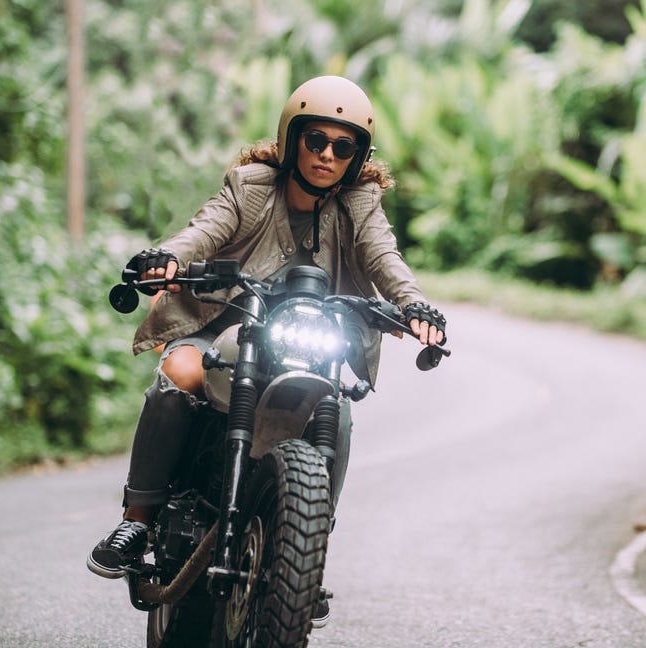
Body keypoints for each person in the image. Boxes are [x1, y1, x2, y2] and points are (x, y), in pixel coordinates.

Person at [86, 75, 446, 624]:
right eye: (316, 140)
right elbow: (203, 231)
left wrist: (416, 306)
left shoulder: (360, 204)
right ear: (292, 137)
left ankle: (305, 554)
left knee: (336, 412)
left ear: (356, 156)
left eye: (343, 146)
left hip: (305, 335)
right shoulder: (250, 187)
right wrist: (169, 260)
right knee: (182, 370)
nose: (327, 155)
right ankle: (137, 519)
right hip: (226, 321)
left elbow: (385, 259)